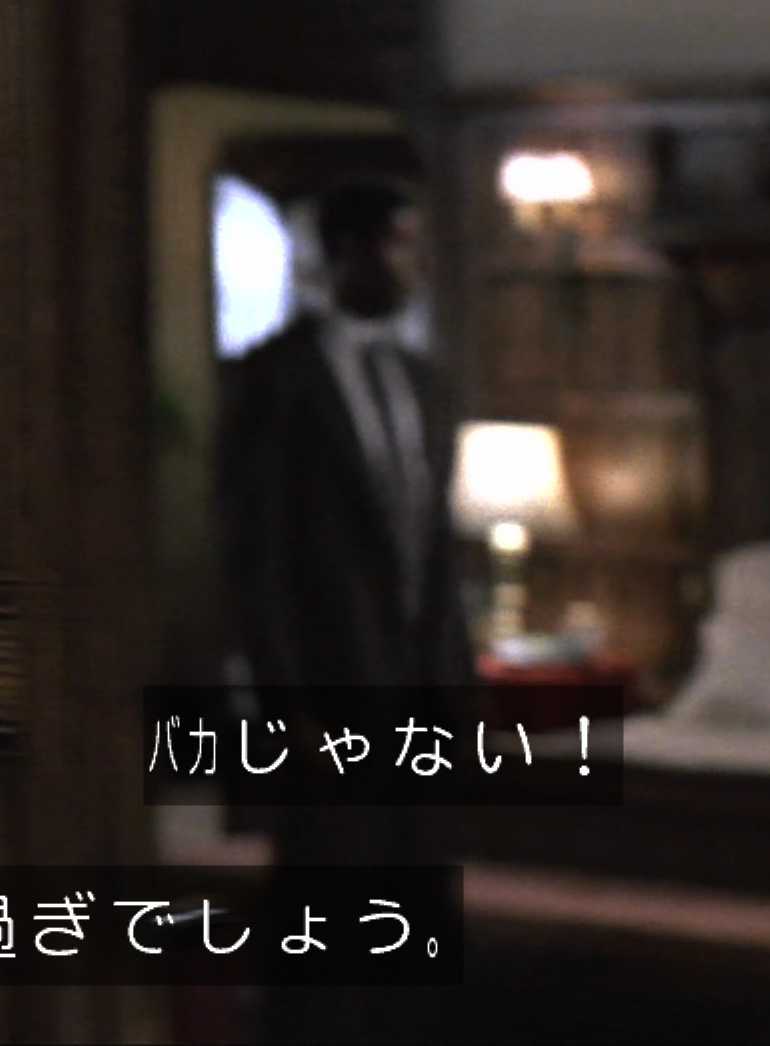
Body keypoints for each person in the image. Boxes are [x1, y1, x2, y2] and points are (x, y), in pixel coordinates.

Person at [216, 177, 474, 1042]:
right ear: (349, 252)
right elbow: (257, 557)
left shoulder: (423, 381)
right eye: (403, 243)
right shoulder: (275, 378)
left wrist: (454, 683)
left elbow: (435, 551)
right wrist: (288, 702)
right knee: (325, 908)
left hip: (419, 697)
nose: (418, 263)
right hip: (329, 694)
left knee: (414, 906)